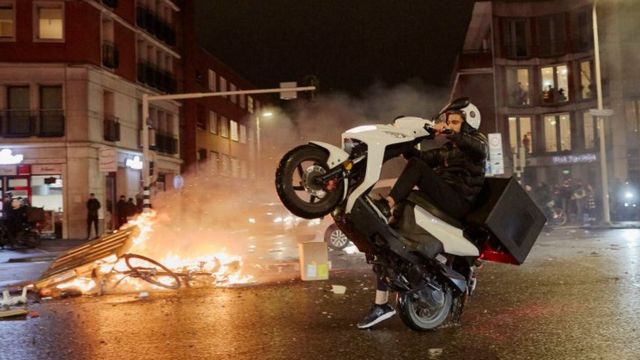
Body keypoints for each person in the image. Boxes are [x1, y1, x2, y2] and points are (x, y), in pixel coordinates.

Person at [358, 101, 488, 330]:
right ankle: (381, 305)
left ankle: (388, 203)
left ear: (469, 123)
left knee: (417, 169)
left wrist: (447, 132)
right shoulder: (450, 149)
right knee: (388, 246)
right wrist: (407, 139)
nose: (450, 126)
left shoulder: (477, 142)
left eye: (455, 122)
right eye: (449, 122)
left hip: (458, 203)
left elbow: (476, 149)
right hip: (443, 198)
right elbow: (422, 158)